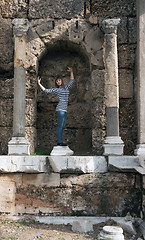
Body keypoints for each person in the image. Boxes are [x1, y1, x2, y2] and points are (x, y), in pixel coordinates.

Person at [37, 67, 74, 146]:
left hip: (65, 110)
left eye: (59, 80)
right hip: (60, 109)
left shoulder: (66, 88)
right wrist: (39, 83)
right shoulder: (57, 90)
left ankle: (60, 141)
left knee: (62, 126)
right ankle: (59, 142)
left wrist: (71, 72)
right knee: (60, 126)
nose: (58, 82)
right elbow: (46, 90)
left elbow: (72, 80)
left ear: (62, 81)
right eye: (57, 81)